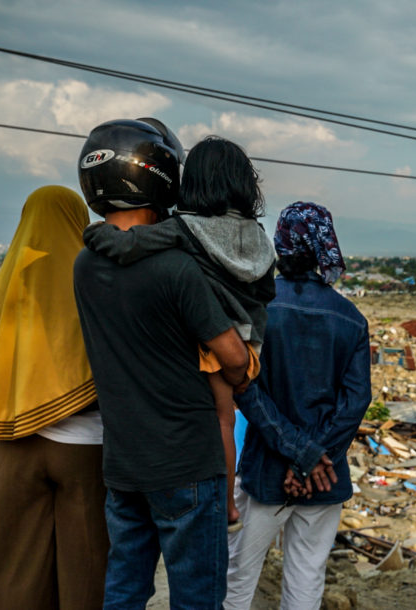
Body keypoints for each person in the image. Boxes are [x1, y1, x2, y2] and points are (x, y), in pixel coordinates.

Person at [74, 118, 249, 609]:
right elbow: (234, 360)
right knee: (196, 597)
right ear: (158, 175)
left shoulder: (84, 265)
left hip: (124, 463)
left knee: (126, 589)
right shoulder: (176, 268)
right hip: (187, 464)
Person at [82, 136, 276, 531]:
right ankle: (229, 505)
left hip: (213, 341)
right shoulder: (260, 238)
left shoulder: (186, 229)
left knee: (220, 421)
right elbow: (267, 293)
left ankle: (225, 507)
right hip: (248, 344)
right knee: (229, 418)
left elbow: (130, 245)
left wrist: (94, 235)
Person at [225, 201, 372, 610]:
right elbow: (356, 400)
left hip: (268, 471)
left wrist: (297, 454)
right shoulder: (352, 319)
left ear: (281, 245)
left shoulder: (261, 310)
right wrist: (312, 458)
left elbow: (246, 389)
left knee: (238, 578)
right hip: (325, 476)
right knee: (306, 579)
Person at [0, 185, 108, 609]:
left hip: (14, 443)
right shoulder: (92, 275)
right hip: (84, 447)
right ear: (78, 220)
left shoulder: (2, 284)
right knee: (86, 564)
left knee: (17, 562)